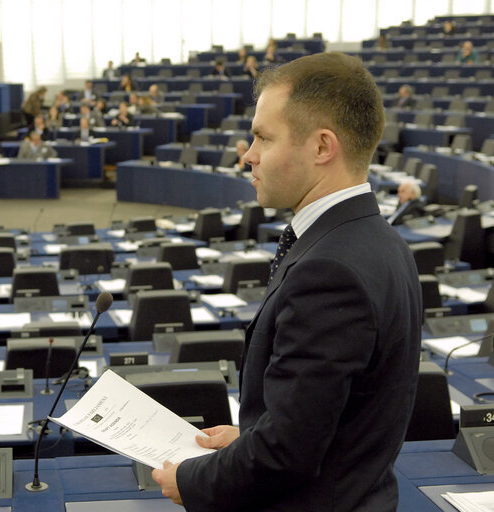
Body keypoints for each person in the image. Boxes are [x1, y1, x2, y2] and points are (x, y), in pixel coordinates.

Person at [152, 52, 422, 511]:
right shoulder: (381, 241)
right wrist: (254, 432)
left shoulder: (329, 271)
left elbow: (286, 456)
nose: (248, 156)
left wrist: (194, 481)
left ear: (321, 147)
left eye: (262, 137)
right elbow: (332, 418)